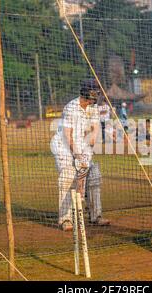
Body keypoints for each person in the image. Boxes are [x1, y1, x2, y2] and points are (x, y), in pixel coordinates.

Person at [50, 79, 110, 231]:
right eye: (94, 92)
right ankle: (65, 219)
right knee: (68, 177)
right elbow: (67, 136)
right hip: (63, 146)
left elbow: (95, 131)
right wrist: (76, 155)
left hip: (82, 145)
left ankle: (95, 216)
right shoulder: (71, 108)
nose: (96, 95)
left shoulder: (93, 108)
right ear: (86, 93)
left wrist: (86, 154)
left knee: (94, 175)